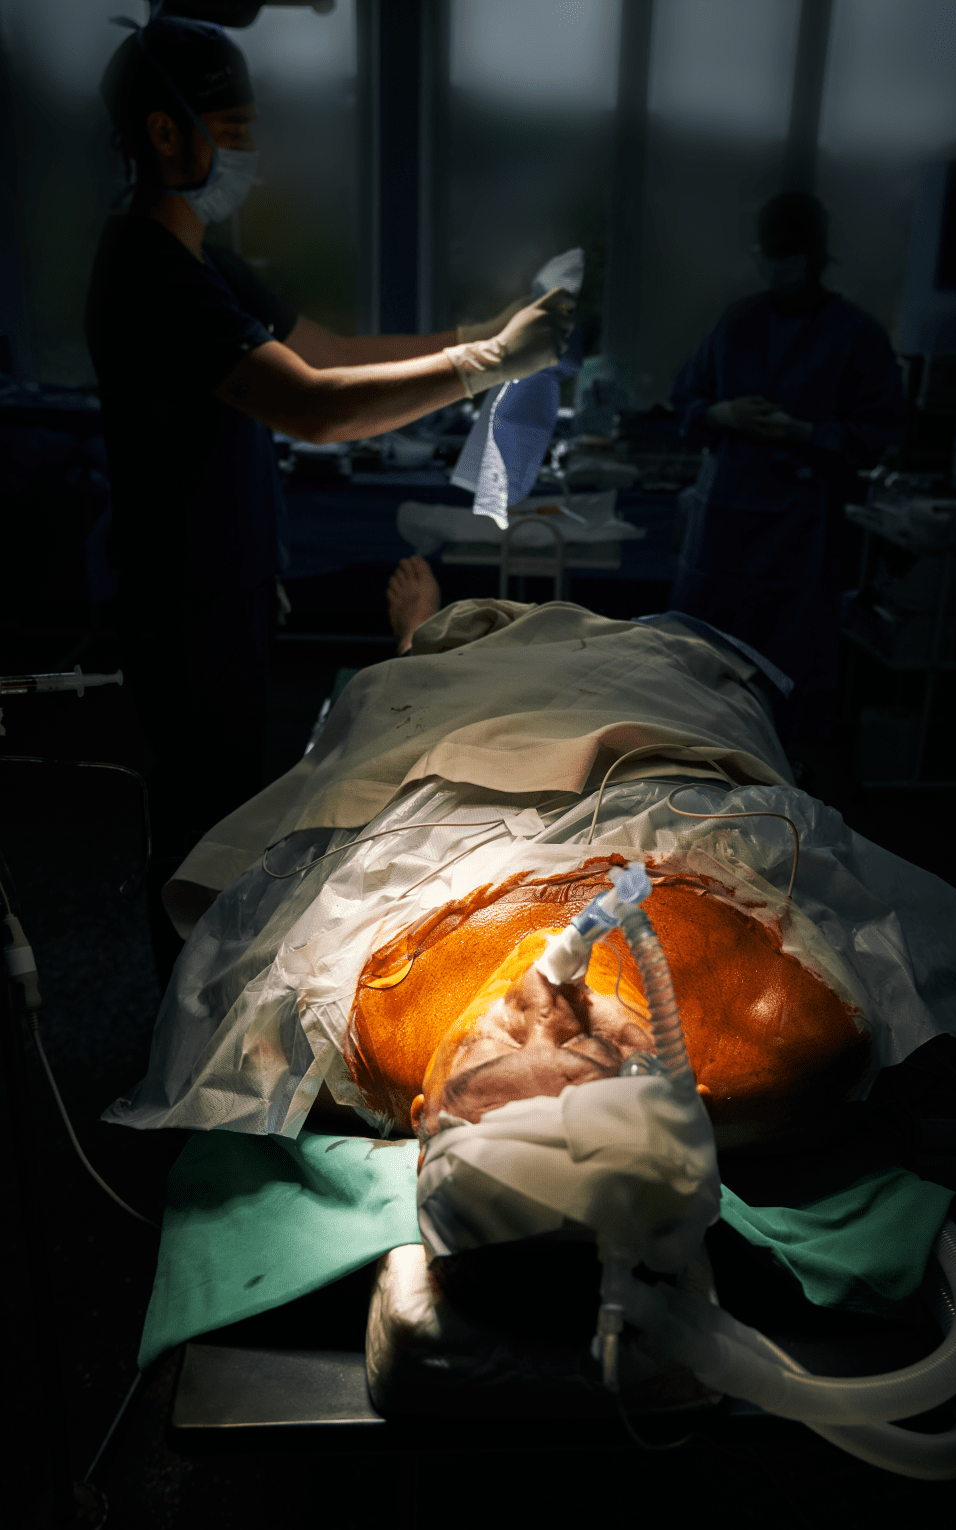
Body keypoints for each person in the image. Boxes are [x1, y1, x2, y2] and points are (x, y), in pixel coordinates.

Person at [85, 11, 574, 990]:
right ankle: (183, 1043)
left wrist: (481, 335)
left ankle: (204, 1007)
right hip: (183, 593)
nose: (250, 150)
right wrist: (485, 365)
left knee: (226, 804)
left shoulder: (202, 260)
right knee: (203, 818)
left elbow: (332, 356)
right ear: (164, 133)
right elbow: (311, 405)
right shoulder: (147, 267)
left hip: (222, 578)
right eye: (235, 126)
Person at [668, 191, 906, 749]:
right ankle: (686, 757)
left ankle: (786, 773)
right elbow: (686, 400)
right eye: (771, 254)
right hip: (725, 518)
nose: (781, 266)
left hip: (800, 528)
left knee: (789, 660)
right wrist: (717, 412)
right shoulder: (737, 322)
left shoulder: (855, 334)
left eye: (792, 254)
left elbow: (881, 432)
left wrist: (811, 434)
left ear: (817, 257)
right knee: (700, 652)